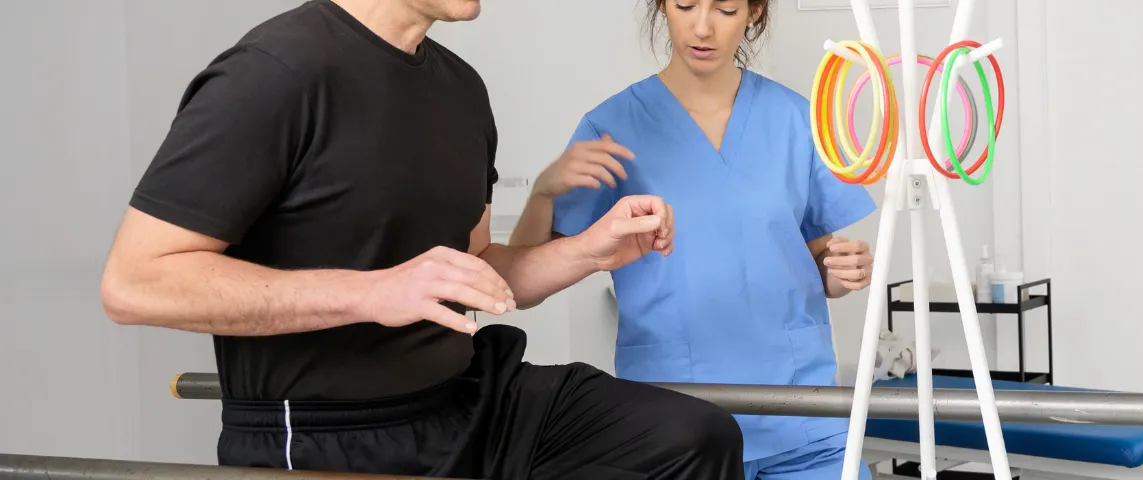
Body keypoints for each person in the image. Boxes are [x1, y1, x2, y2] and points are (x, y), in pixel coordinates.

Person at [99, 0, 745, 478]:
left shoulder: (462, 90)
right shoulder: (274, 73)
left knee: (692, 439)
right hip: (329, 434)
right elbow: (134, 282)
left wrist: (588, 252)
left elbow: (476, 267)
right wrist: (371, 293)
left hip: (468, 398)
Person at [508, 1, 878, 478]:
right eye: (685, 5)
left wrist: (840, 271)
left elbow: (811, 257)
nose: (702, 27)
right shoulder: (612, 129)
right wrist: (543, 192)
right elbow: (522, 285)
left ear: (754, 12)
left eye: (725, 9)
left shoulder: (795, 119)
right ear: (662, 6)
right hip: (678, 421)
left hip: (799, 412)